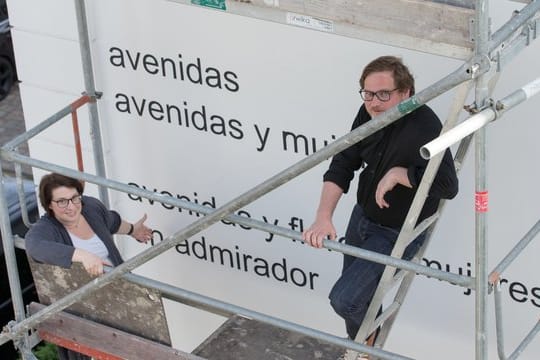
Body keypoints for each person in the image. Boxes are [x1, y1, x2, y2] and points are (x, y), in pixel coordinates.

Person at [302, 56, 458, 359]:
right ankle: (363, 352)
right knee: (358, 302)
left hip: (396, 232)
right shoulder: (368, 112)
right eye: (368, 93)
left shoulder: (424, 125)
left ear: (406, 93)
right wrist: (323, 217)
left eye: (383, 94)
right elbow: (343, 163)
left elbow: (448, 186)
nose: (374, 103)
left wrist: (403, 174)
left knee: (345, 300)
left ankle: (367, 349)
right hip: (362, 218)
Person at [25, 173, 153, 360]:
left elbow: (111, 222)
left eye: (74, 198)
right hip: (85, 314)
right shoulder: (47, 229)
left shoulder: (90, 208)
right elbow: (34, 246)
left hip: (121, 301)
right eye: (61, 201)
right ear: (49, 205)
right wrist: (81, 255)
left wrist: (134, 230)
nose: (71, 206)